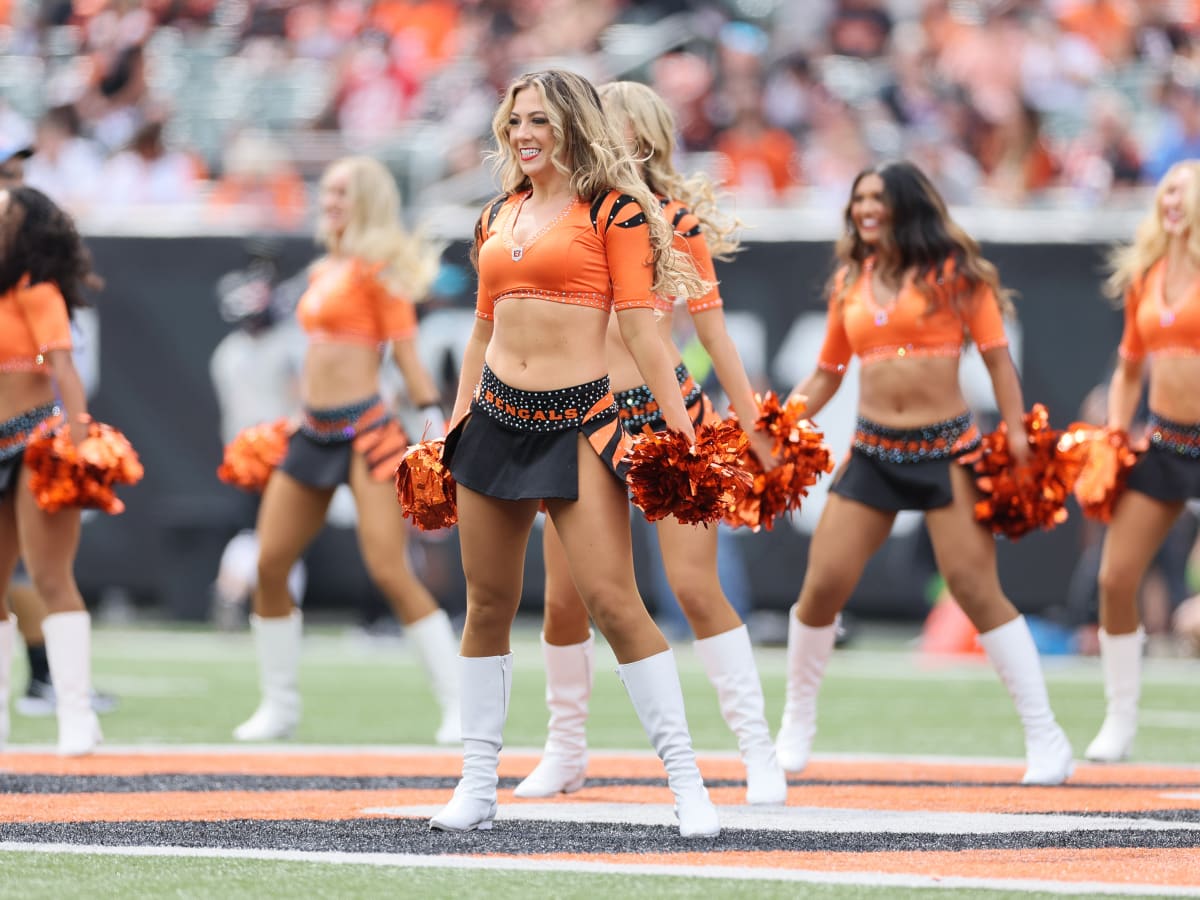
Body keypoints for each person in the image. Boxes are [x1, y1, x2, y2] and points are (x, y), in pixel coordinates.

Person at [430, 69, 720, 838]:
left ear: (574, 129)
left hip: (581, 422)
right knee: (486, 605)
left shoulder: (616, 211)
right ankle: (477, 782)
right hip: (495, 418)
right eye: (515, 121)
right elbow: (482, 331)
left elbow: (642, 330)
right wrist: (452, 426)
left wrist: (683, 431)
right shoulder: (497, 212)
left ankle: (687, 780)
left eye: (541, 123)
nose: (524, 135)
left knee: (615, 603)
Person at [514, 80, 786, 807]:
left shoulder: (672, 221)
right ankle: (565, 750)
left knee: (696, 588)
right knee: (564, 599)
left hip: (665, 417)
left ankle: (757, 751)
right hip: (580, 418)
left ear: (639, 139)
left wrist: (753, 423)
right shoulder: (560, 217)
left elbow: (713, 333)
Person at [774, 160, 1074, 786]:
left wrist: (1018, 434)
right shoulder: (850, 279)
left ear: (908, 205)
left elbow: (998, 362)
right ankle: (796, 721)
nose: (865, 209)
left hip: (947, 453)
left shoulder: (956, 276)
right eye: (859, 199)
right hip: (873, 452)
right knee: (822, 587)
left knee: (975, 589)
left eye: (878, 198)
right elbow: (828, 372)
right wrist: (778, 424)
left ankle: (1046, 735)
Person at [232, 156, 460, 745]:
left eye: (340, 193)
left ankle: (459, 702)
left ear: (367, 199)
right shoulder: (323, 268)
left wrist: (436, 432)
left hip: (367, 431)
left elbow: (407, 357)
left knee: (389, 568)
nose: (328, 201)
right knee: (269, 563)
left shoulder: (380, 269)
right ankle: (278, 703)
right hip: (311, 431)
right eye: (326, 191)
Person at [1085, 160, 1200, 762]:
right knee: (1114, 577)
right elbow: (1129, 369)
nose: (1171, 202)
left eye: (1183, 192)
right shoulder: (1148, 277)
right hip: (1166, 443)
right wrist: (1113, 433)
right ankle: (1120, 718)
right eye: (1166, 192)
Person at [0, 185, 105, 755]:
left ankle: (76, 713)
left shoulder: (38, 290)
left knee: (48, 577)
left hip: (36, 440)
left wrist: (81, 441)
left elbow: (64, 370)